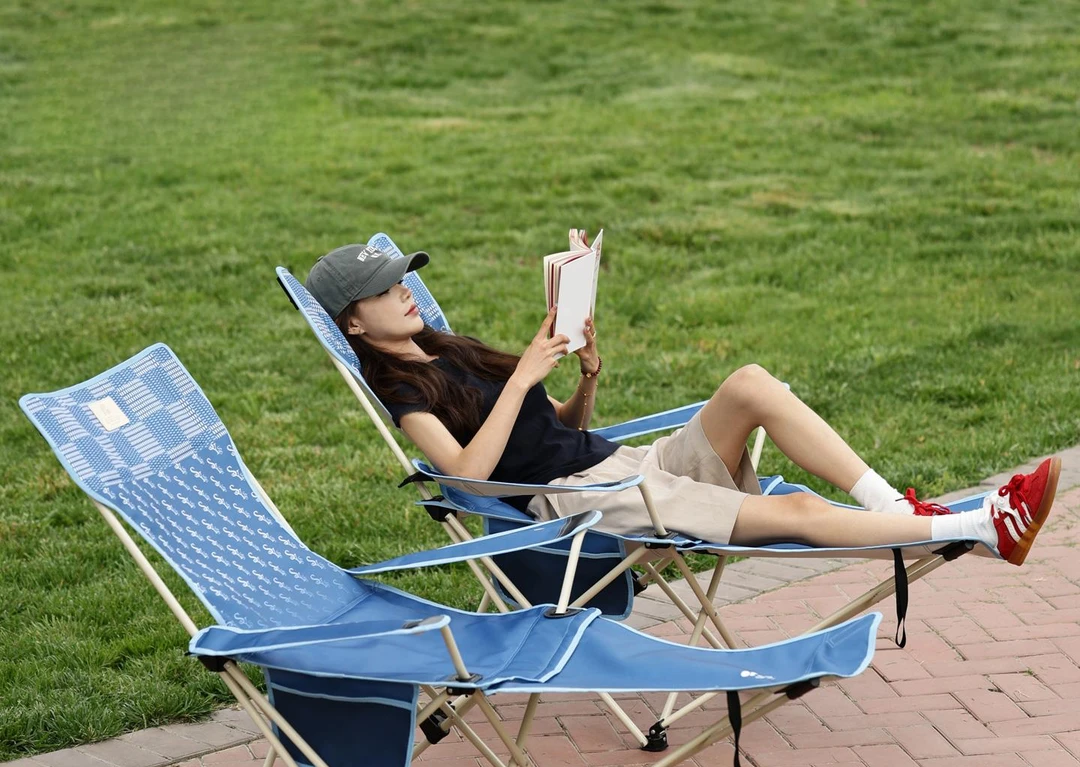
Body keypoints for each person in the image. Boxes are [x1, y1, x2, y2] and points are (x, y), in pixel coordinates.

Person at [305, 243, 1059, 566]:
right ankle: (983, 527)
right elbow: (470, 481)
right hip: (585, 506)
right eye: (387, 287)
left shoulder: (449, 349)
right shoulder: (404, 392)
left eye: (404, 278)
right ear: (352, 320)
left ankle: (902, 508)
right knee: (792, 517)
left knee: (752, 384)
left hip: (620, 467)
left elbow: (556, 434)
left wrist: (585, 381)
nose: (405, 290)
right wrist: (527, 377)